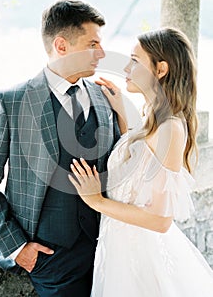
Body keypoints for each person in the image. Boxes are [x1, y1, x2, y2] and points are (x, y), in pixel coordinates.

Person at [0, 0, 121, 297]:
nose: (102, 53)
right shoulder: (13, 102)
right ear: (62, 45)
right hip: (50, 260)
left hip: (110, 251)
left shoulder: (106, 97)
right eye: (93, 43)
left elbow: (120, 163)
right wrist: (17, 247)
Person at [69, 27, 213, 296]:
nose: (126, 67)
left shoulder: (170, 127)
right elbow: (139, 164)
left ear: (160, 70)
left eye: (135, 60)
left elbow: (161, 220)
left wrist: (96, 201)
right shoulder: (152, 119)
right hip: (119, 250)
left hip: (140, 260)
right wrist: (122, 114)